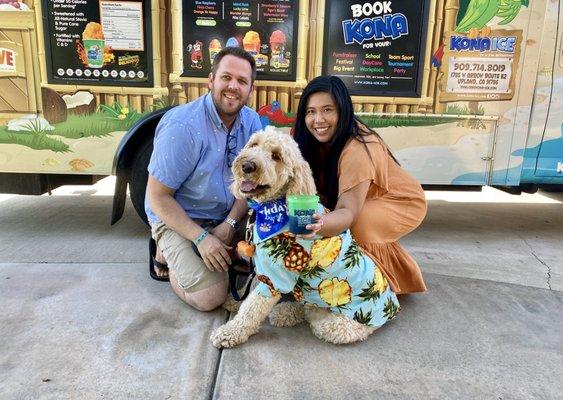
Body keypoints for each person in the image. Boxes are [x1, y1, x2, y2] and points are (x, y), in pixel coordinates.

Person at [145, 47, 262, 311]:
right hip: (179, 216)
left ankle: (197, 249)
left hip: (226, 213)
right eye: (226, 77)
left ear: (250, 89)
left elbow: (251, 185)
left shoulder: (252, 123)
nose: (233, 86)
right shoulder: (183, 126)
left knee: (276, 246)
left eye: (242, 81)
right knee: (211, 297)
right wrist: (201, 239)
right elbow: (158, 197)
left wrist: (230, 224)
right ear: (211, 80)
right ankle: (165, 253)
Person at [293, 76, 427, 294]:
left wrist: (318, 224)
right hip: (361, 197)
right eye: (311, 111)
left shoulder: (358, 148)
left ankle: (373, 287)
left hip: (400, 200)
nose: (318, 119)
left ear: (343, 110)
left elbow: (347, 211)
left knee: (358, 225)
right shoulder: (308, 139)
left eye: (328, 110)